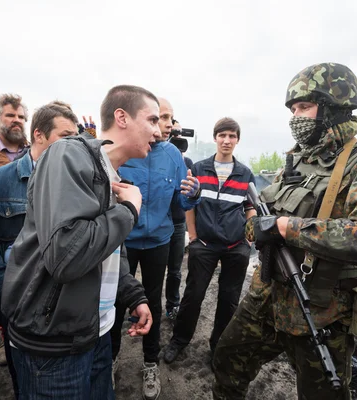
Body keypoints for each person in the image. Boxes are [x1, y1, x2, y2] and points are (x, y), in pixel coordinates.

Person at [212, 62, 357, 399]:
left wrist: (288, 228)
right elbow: (258, 216)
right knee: (226, 363)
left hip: (320, 311)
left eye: (304, 107)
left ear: (332, 109)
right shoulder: (296, 160)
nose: (295, 117)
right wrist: (256, 227)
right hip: (266, 296)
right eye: (292, 109)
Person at [1, 85, 159, 399]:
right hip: (54, 344)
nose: (158, 131)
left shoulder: (110, 174)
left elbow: (108, 251)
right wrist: (129, 210)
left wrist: (132, 294)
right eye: (152, 120)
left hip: (95, 332)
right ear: (122, 117)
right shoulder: (68, 153)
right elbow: (66, 257)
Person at [0, 102, 80, 398]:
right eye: (66, 137)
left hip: (66, 304)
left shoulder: (79, 182)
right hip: (16, 306)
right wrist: (7, 292)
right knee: (24, 379)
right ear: (38, 135)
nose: (73, 145)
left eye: (77, 138)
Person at [110, 98, 201, 400]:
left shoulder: (173, 155)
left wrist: (191, 196)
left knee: (153, 301)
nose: (165, 124)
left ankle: (150, 362)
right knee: (116, 302)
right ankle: (110, 360)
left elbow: (179, 203)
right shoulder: (125, 151)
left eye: (169, 118)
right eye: (159, 117)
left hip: (158, 241)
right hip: (123, 241)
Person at [163, 117, 256, 364]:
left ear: (237, 140)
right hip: (204, 245)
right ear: (215, 138)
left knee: (229, 301)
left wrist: (248, 239)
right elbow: (189, 205)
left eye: (232, 136)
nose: (227, 140)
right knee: (193, 296)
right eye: (222, 135)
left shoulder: (245, 173)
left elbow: (250, 207)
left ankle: (219, 347)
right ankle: (179, 340)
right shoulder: (199, 169)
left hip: (236, 247)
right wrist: (193, 237)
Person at [164, 119, 194, 321]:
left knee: (175, 270)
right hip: (159, 220)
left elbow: (191, 195)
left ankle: (172, 305)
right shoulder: (158, 155)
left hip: (177, 222)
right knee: (154, 270)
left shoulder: (187, 162)